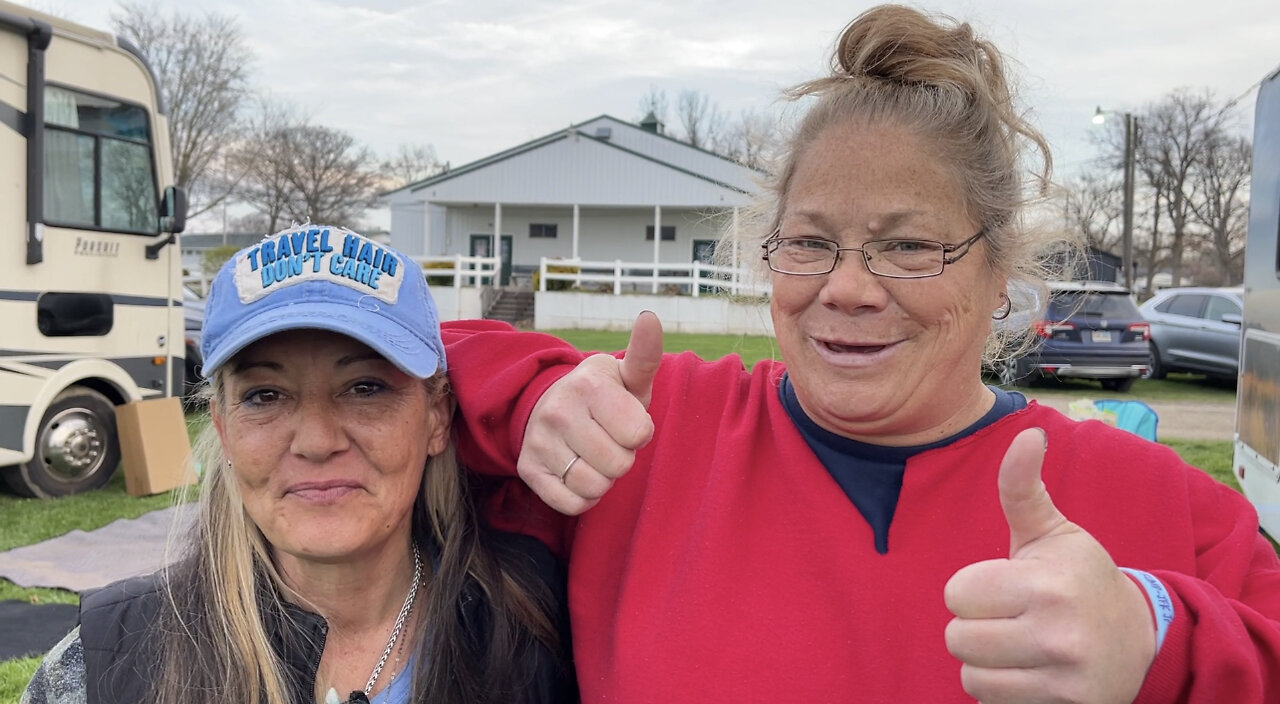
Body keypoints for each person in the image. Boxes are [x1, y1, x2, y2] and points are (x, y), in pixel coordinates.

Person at [437, 6, 1280, 703]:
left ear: (1001, 275)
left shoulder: (1141, 498)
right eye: (808, 243)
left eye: (909, 246)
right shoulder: (650, 433)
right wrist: (533, 399)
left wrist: (1156, 635)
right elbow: (383, 386)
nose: (847, 288)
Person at [21, 225, 576, 704]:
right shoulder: (109, 661)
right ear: (222, 427)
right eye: (265, 395)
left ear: (436, 417)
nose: (315, 441)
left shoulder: (532, 636)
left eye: (365, 387)